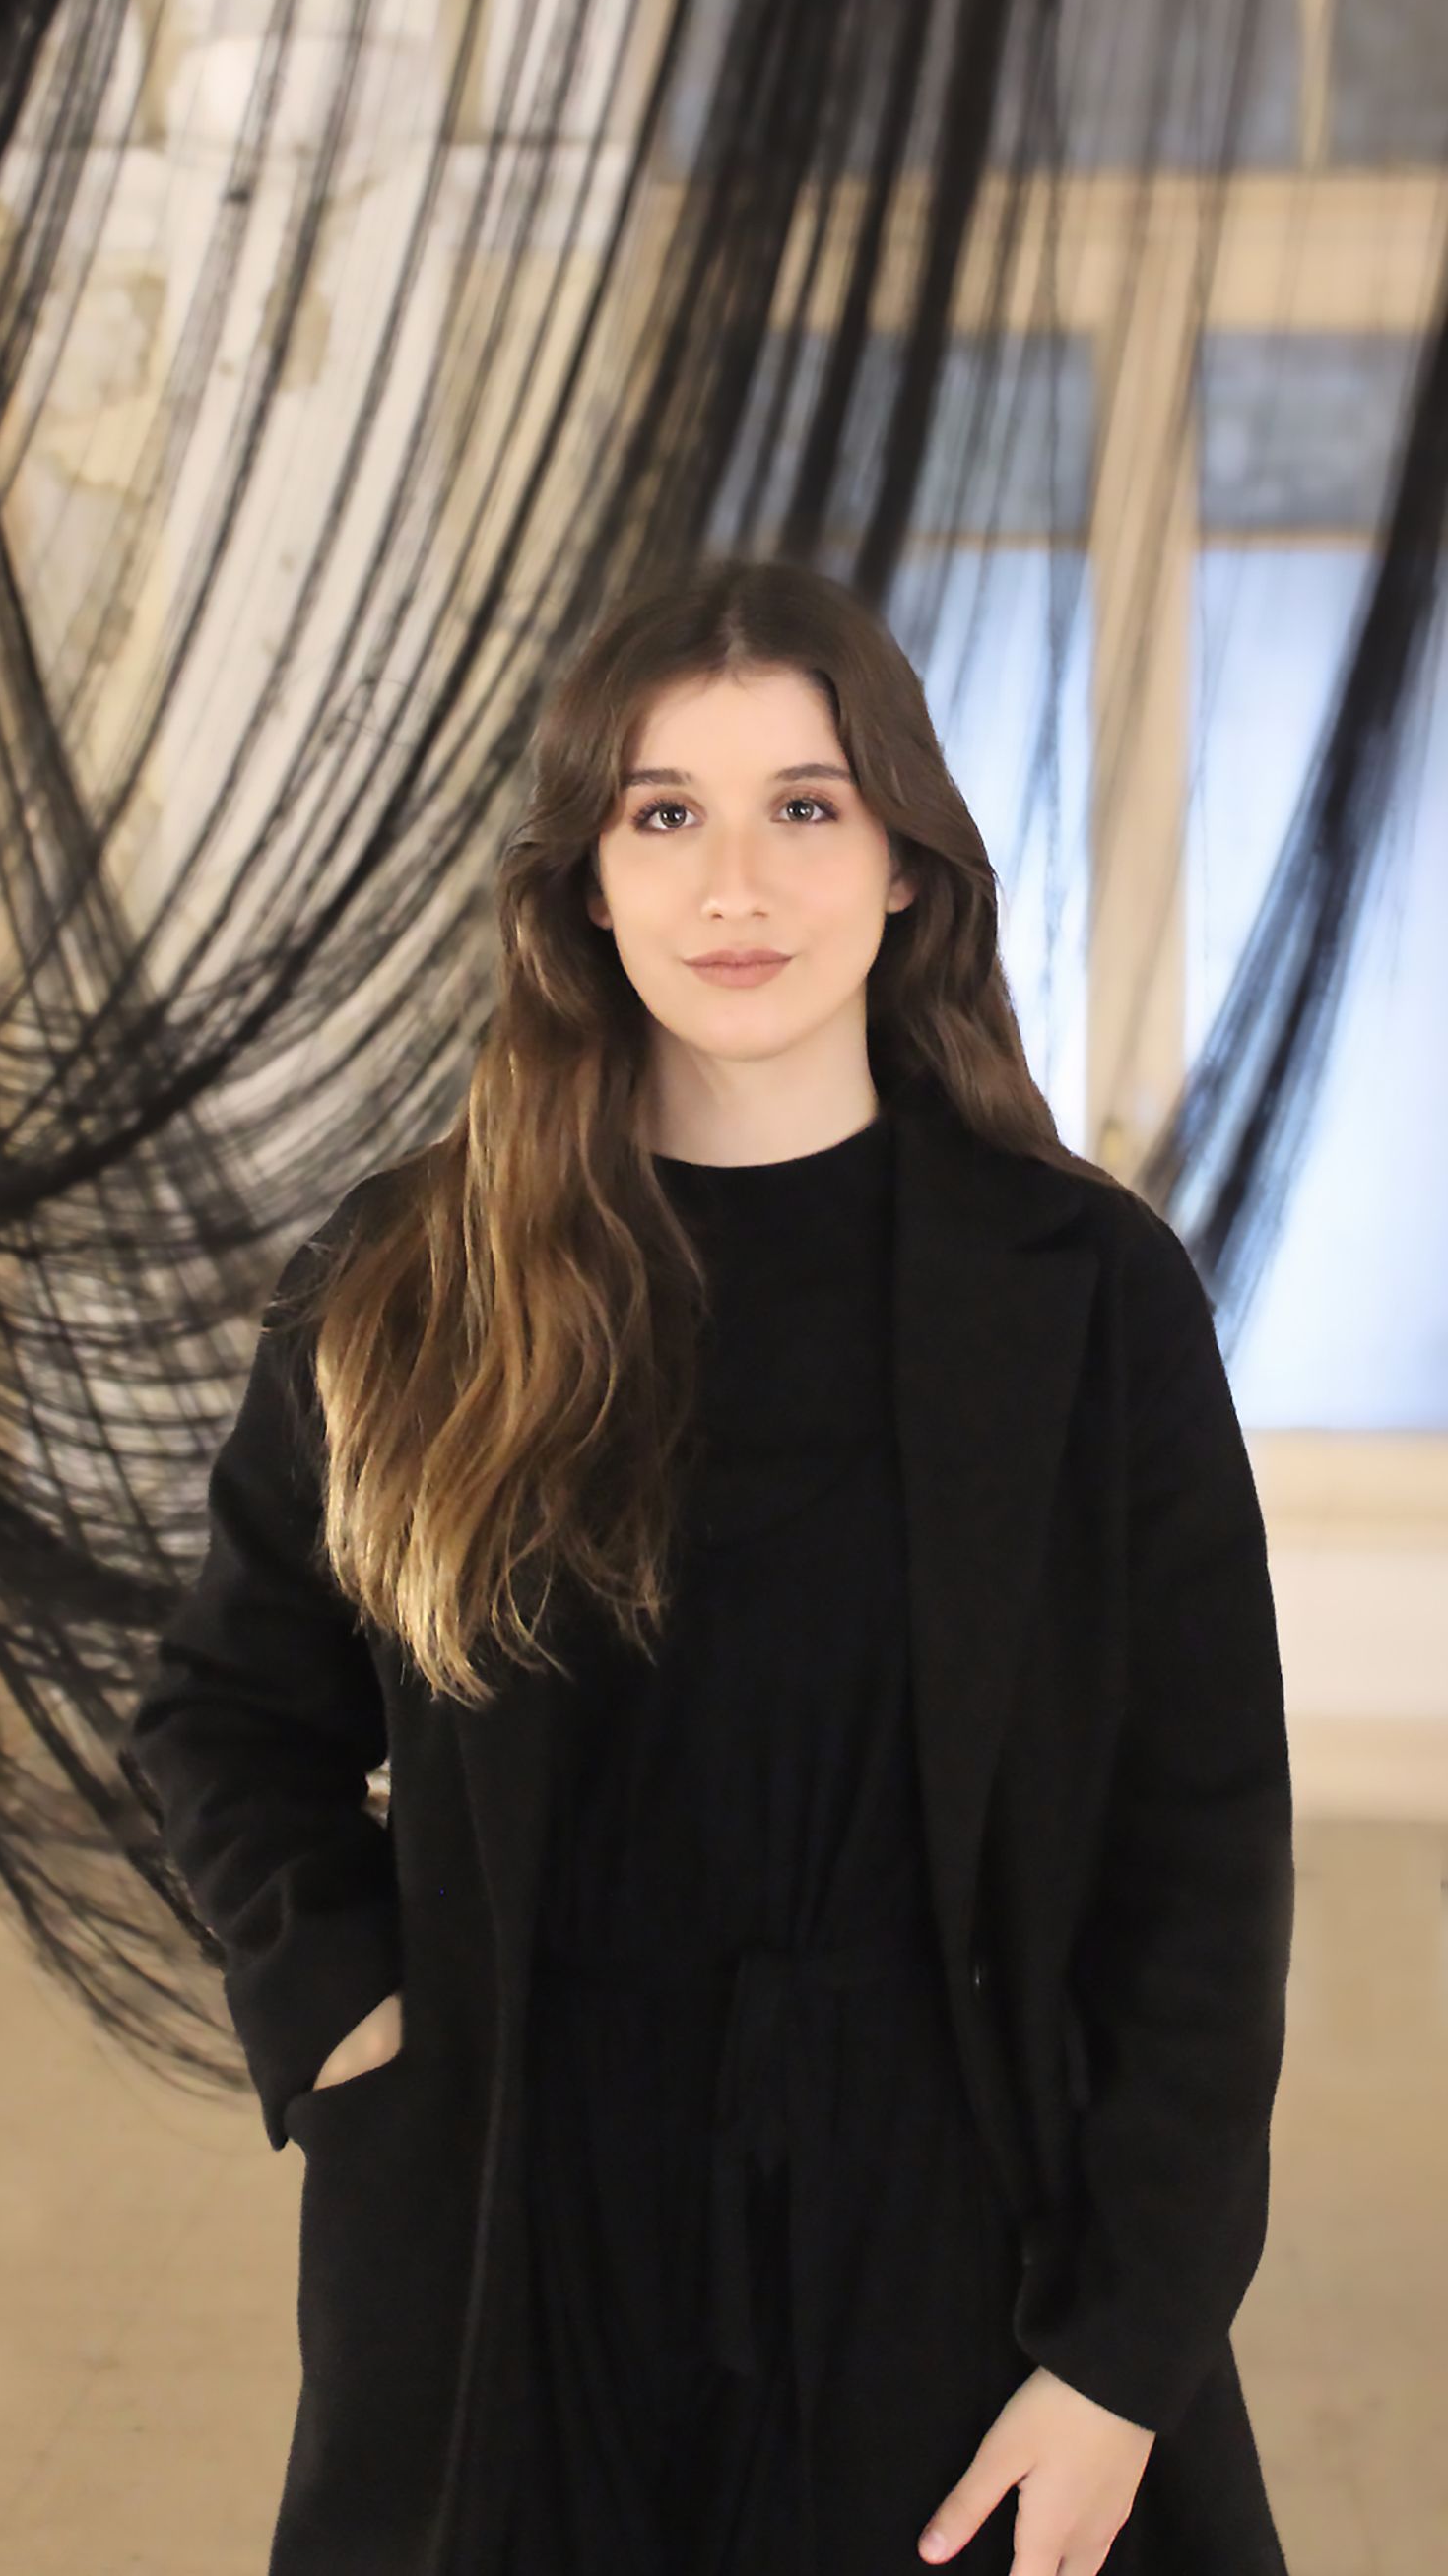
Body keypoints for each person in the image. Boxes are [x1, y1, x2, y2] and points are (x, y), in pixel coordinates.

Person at [118, 557, 1296, 2576]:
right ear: (585, 879)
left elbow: (1203, 1859)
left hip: (953, 2214)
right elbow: (225, 1713)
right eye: (664, 812)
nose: (732, 885)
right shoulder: (413, 1275)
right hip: (518, 2214)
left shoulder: (1090, 1294)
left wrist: (1123, 2359)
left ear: (907, 863)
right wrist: (351, 2023)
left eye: (803, 806)